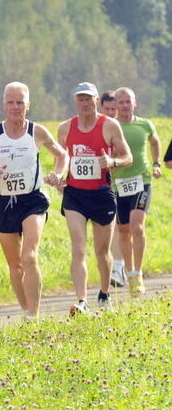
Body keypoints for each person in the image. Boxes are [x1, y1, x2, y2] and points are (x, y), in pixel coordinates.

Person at [0, 82, 69, 319]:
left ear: (28, 105)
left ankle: (33, 316)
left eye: (20, 102)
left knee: (29, 257)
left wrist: (58, 174)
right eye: (11, 102)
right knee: (15, 266)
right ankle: (26, 311)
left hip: (32, 200)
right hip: (4, 202)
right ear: (4, 105)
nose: (15, 107)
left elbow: (62, 155)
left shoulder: (37, 131)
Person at [54, 82, 132, 314]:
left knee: (101, 251)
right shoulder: (65, 127)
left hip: (101, 194)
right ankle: (81, 300)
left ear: (96, 100)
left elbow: (127, 156)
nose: (85, 103)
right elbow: (61, 158)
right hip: (75, 195)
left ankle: (105, 293)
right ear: (75, 101)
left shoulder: (110, 125)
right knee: (78, 248)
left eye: (89, 99)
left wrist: (112, 162)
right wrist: (59, 176)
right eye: (81, 99)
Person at [112, 87, 162, 296]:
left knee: (137, 227)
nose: (124, 106)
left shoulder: (145, 124)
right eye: (121, 102)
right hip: (119, 183)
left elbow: (155, 141)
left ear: (135, 103)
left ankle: (137, 273)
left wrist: (157, 162)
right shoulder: (111, 126)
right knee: (123, 230)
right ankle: (129, 272)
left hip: (142, 180)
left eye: (128, 102)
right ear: (115, 105)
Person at [100, 91, 125, 286]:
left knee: (129, 228)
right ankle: (117, 268)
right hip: (106, 186)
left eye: (113, 109)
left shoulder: (119, 128)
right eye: (107, 109)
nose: (110, 113)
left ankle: (127, 266)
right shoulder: (97, 127)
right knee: (115, 226)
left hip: (127, 182)